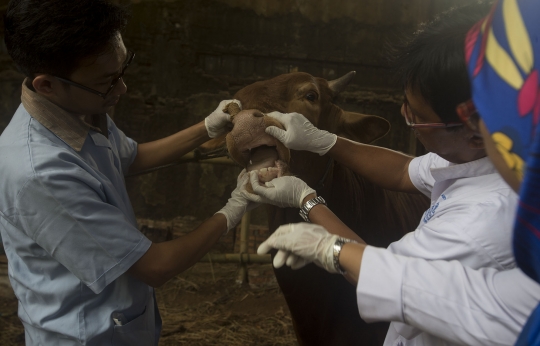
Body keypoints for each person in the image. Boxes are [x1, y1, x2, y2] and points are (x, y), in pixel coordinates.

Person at [253, 0, 540, 345]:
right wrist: (323, 140)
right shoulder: (475, 160)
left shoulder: (477, 223)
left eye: (416, 115)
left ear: (479, 128)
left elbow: (385, 273)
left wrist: (309, 205)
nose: (409, 118)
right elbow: (405, 170)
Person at [0, 1, 256, 345]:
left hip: (121, 325)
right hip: (84, 336)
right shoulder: (40, 174)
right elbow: (156, 266)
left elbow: (131, 156)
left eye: (123, 70)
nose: (122, 90)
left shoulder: (78, 108)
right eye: (108, 81)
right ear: (47, 85)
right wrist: (236, 206)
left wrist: (208, 127)